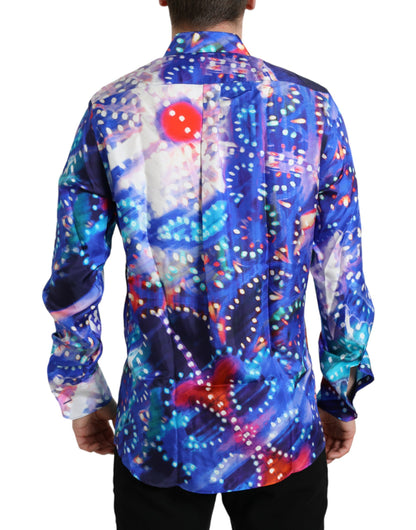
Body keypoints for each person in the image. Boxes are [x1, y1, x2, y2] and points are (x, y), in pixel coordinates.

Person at [42, 1, 375, 528]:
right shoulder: (310, 108)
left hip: (157, 424)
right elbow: (340, 271)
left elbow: (74, 270)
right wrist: (340, 391)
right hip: (280, 427)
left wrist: (82, 389)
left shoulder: (112, 108)